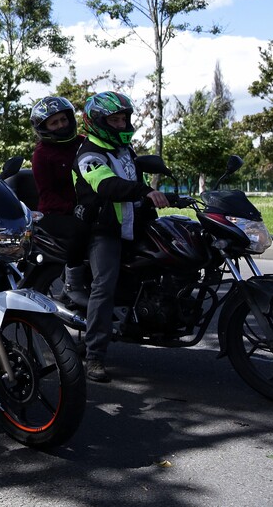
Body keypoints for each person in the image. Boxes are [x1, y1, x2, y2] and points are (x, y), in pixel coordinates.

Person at [73, 91, 169, 383]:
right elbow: (108, 186)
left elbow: (135, 182)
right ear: (99, 122)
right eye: (114, 120)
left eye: (123, 119)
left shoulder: (125, 151)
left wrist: (169, 197)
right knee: (105, 284)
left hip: (132, 224)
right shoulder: (89, 154)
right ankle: (94, 357)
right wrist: (143, 191)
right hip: (102, 230)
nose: (120, 124)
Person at [29, 97, 89, 307]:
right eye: (54, 123)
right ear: (43, 128)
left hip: (89, 207)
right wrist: (76, 209)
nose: (61, 125)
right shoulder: (42, 154)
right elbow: (47, 193)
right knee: (82, 229)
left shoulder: (83, 143)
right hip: (55, 213)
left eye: (63, 119)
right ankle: (73, 282)